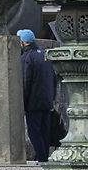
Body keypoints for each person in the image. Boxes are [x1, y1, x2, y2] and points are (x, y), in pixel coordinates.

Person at [20, 31, 61, 161]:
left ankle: (42, 159)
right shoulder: (45, 55)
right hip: (47, 100)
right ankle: (43, 157)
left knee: (34, 132)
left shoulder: (27, 57)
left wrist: (23, 102)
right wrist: (52, 98)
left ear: (22, 42)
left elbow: (26, 81)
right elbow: (54, 79)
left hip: (33, 101)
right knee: (45, 131)